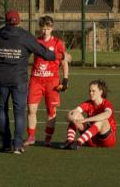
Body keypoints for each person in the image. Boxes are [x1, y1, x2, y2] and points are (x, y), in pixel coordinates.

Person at [0, 10, 68, 154]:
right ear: (19, 21)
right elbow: (44, 52)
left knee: (2, 111)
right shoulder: (25, 36)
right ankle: (17, 145)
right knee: (20, 112)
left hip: (2, 79)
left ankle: (5, 144)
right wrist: (61, 55)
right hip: (19, 81)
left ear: (5, 21)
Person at [24, 15, 72, 147]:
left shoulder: (57, 43)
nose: (45, 31)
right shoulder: (35, 41)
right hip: (36, 80)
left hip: (52, 82)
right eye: (43, 29)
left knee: (51, 111)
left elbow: (64, 62)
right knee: (31, 109)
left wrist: (66, 79)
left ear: (52, 28)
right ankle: (31, 136)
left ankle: (48, 138)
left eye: (47, 28)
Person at [61, 79, 117, 149]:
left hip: (106, 140)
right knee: (75, 114)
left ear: (100, 92)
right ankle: (69, 141)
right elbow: (70, 114)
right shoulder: (88, 103)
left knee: (102, 120)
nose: (90, 93)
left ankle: (79, 142)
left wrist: (85, 120)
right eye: (90, 91)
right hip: (91, 138)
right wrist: (72, 119)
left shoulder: (106, 104)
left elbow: (107, 114)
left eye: (93, 91)